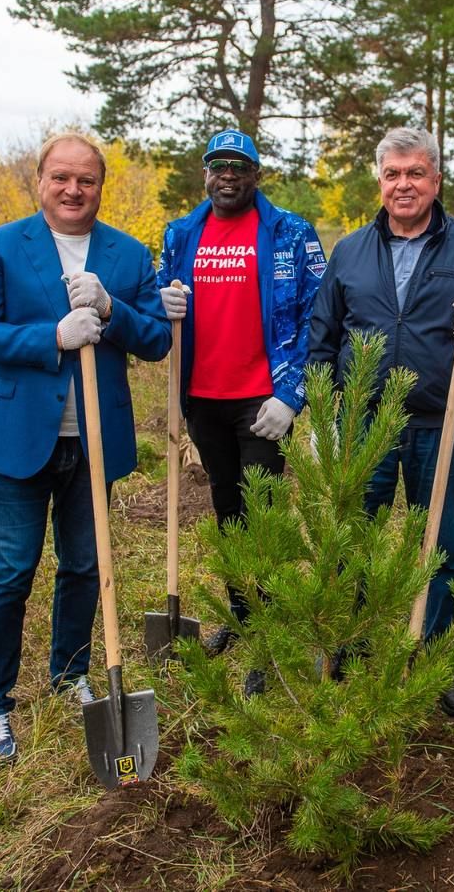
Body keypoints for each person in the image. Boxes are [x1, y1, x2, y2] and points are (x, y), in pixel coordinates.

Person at [0, 133, 171, 766]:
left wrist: (111, 309)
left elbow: (157, 338)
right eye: (61, 178)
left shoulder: (127, 256)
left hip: (95, 441)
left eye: (86, 180)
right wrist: (51, 334)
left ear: (101, 185)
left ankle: (70, 671)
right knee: (10, 572)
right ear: (41, 181)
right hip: (20, 437)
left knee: (83, 565)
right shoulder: (1, 246)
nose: (73, 190)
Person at [310, 126, 454, 717]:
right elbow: (323, 336)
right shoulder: (351, 252)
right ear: (379, 182)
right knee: (355, 532)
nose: (403, 184)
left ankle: (438, 656)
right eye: (392, 174)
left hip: (441, 419)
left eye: (415, 173)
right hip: (366, 420)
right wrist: (322, 412)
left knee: (441, 543)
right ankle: (352, 644)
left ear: (436, 180)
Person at [157, 129, 327, 673]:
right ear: (205, 173)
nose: (227, 175)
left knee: (264, 514)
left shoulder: (291, 233)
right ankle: (241, 614)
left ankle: (271, 635)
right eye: (217, 165)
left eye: (239, 166)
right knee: (227, 510)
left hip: (262, 400)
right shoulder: (182, 233)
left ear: (256, 175)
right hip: (204, 397)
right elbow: (160, 300)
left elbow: (317, 317)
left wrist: (292, 394)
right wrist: (161, 301)